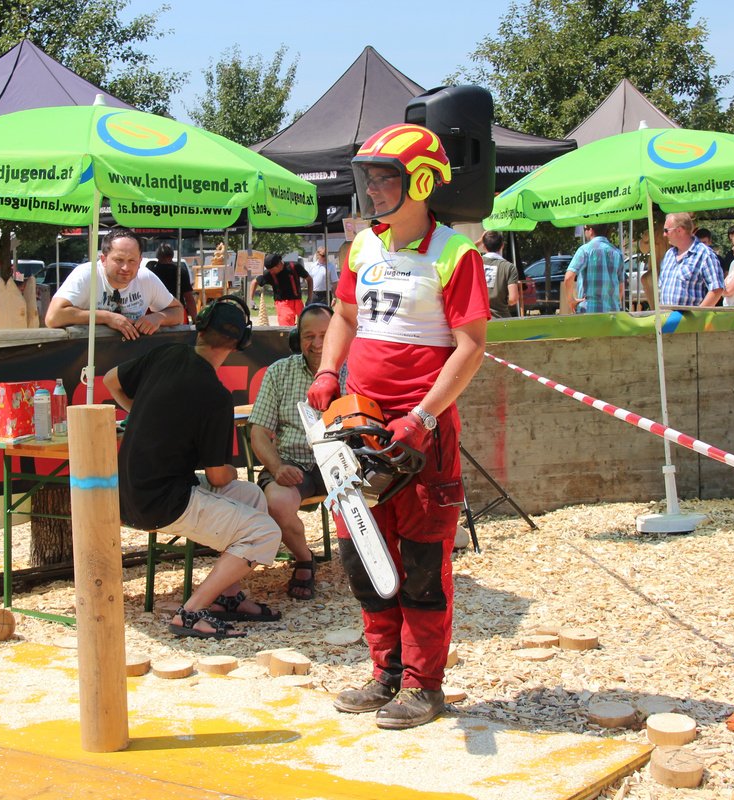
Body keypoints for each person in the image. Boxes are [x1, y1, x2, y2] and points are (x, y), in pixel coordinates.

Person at [307, 123, 489, 730]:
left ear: (422, 182)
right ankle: (384, 673)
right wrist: (329, 370)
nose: (374, 189)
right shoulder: (362, 247)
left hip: (421, 433)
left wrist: (423, 416)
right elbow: (345, 316)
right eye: (370, 178)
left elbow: (470, 347)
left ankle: (423, 684)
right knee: (363, 552)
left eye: (386, 178)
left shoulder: (456, 254)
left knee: (421, 560)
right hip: (359, 424)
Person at [103, 295, 282, 639]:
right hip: (162, 503)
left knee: (252, 498)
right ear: (239, 344)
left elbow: (112, 379)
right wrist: (230, 470)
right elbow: (218, 476)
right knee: (265, 532)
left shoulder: (167, 354)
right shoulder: (215, 395)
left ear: (201, 328)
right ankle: (191, 612)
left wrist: (141, 412)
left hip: (129, 493)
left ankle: (227, 596)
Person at [248, 303, 339, 601]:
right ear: (297, 339)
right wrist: (276, 467)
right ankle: (304, 558)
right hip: (294, 461)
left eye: (325, 335)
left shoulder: (354, 369)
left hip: (342, 461)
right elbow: (259, 433)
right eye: (309, 336)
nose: (317, 343)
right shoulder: (279, 372)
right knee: (276, 502)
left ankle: (377, 560)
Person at [46, 227, 183, 337]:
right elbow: (53, 316)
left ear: (140, 261)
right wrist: (107, 317)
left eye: (132, 261)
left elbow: (177, 311)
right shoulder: (87, 274)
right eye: (119, 260)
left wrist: (158, 317)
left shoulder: (146, 278)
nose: (126, 267)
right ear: (103, 259)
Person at [658, 212, 725, 308]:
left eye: (666, 230)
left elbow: (717, 289)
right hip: (666, 316)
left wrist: (699, 314)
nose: (664, 234)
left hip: (690, 317)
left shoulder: (704, 254)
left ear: (679, 230)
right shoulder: (669, 254)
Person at [565, 223, 624, 314]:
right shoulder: (617, 253)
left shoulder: (584, 250)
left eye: (585, 229)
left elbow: (568, 278)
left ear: (591, 230)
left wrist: (571, 300)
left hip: (589, 312)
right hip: (612, 314)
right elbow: (621, 287)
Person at [249, 253, 311, 326]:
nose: (271, 272)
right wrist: (251, 300)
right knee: (286, 328)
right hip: (283, 304)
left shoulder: (294, 266)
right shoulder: (269, 273)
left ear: (278, 264)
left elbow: (309, 279)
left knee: (304, 326)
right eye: (269, 270)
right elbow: (254, 282)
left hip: (298, 302)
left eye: (272, 270)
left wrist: (309, 298)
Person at [147, 243, 198, 324]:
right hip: (177, 314)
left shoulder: (151, 273)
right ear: (172, 256)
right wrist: (195, 319)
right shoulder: (180, 272)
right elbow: (189, 298)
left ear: (158, 256)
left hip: (155, 316)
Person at [480, 230, 519, 320]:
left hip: (479, 319)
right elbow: (513, 299)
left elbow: (464, 252)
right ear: (502, 245)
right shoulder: (509, 267)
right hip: (500, 318)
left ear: (484, 246)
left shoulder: (476, 262)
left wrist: (479, 241)